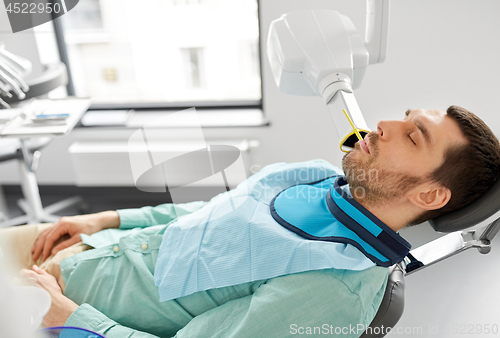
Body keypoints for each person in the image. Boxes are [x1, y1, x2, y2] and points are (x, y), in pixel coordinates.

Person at [1, 106, 499, 338]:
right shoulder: (314, 177)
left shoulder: (334, 287)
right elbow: (206, 216)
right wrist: (107, 220)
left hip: (49, 314)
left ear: (431, 193)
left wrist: (70, 320)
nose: (385, 124)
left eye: (413, 137)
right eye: (405, 116)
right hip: (74, 253)